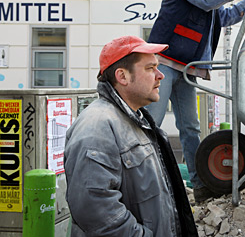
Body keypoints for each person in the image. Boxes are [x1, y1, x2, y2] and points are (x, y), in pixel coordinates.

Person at [146, 0, 245, 202]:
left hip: (187, 67)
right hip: (165, 62)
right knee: (150, 126)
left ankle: (200, 185)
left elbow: (221, 18)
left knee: (190, 128)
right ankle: (142, 185)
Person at [64, 36, 198, 237]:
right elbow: (96, 211)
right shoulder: (97, 126)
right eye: (150, 68)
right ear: (123, 76)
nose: (160, 75)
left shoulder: (139, 121)